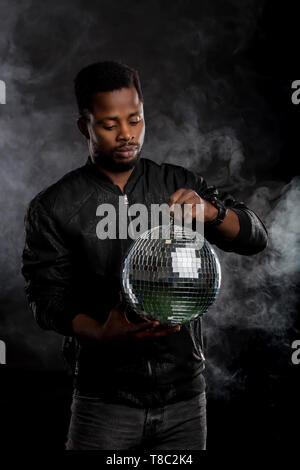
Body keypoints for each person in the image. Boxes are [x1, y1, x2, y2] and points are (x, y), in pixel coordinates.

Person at [21, 61, 268, 450]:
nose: (126, 135)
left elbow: (255, 237)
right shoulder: (55, 205)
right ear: (84, 126)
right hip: (103, 402)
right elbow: (45, 300)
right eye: (109, 124)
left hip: (186, 398)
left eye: (135, 120)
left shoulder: (179, 184)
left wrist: (212, 212)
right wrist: (102, 332)